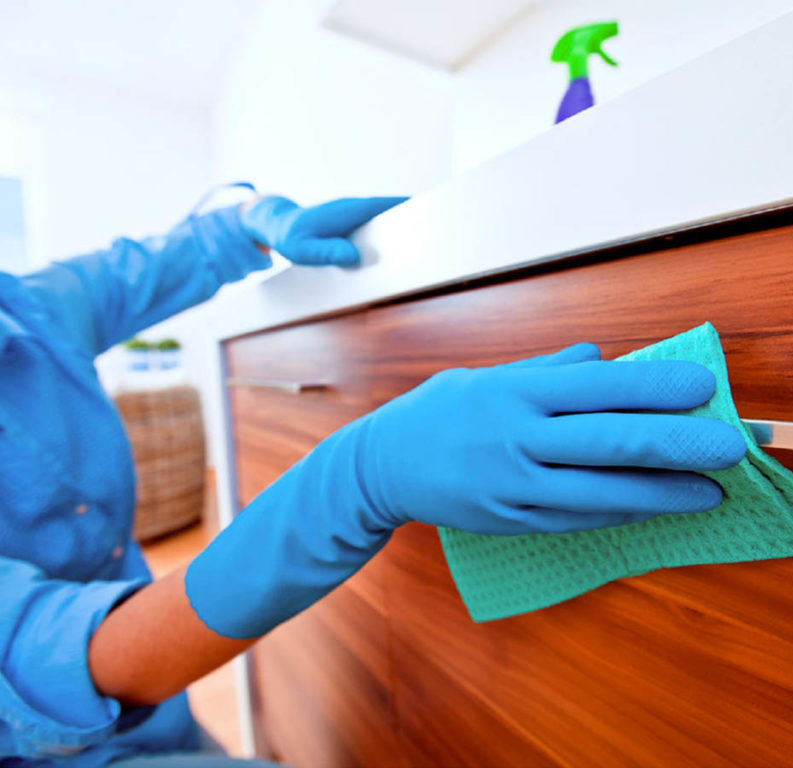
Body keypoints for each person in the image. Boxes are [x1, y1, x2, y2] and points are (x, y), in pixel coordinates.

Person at [0, 193, 746, 766]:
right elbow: (81, 661)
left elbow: (186, 250)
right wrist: (354, 484)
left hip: (160, 721)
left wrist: (260, 222)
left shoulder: (24, 310)